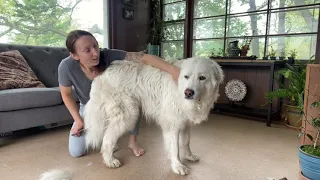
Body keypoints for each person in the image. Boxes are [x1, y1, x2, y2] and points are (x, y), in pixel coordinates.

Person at [58, 30, 180, 158]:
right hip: (89, 103)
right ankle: (107, 135)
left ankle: (132, 142)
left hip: (117, 96)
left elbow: (143, 58)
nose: (95, 53)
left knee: (133, 100)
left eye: (95, 45)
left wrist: (173, 71)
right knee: (77, 152)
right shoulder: (66, 67)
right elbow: (66, 95)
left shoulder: (108, 54)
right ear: (75, 55)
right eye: (87, 50)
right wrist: (78, 120)